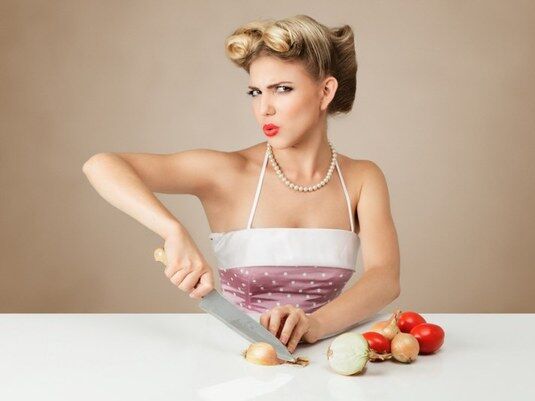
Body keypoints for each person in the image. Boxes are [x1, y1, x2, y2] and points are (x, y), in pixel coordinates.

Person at [82, 15, 400, 353]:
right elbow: (101, 165)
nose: (264, 108)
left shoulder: (362, 178)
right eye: (255, 92)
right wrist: (172, 231)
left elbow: (384, 278)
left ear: (325, 92)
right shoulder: (227, 173)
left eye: (282, 89)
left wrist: (315, 324)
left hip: (331, 356)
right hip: (235, 358)